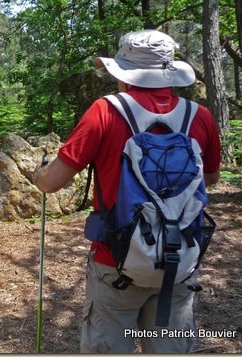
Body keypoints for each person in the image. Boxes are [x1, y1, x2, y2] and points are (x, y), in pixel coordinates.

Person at [33, 29, 221, 353]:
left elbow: (51, 182)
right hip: (178, 263)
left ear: (125, 74)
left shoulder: (105, 111)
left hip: (115, 262)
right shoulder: (199, 116)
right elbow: (211, 178)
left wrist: (39, 174)